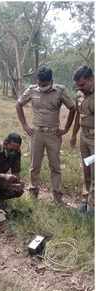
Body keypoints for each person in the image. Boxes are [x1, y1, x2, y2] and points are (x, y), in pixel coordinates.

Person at [16, 66, 75, 203]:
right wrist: (25, 125)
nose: (42, 87)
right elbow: (18, 105)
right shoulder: (31, 90)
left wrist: (66, 129)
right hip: (36, 133)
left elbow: (72, 108)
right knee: (34, 165)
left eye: (45, 84)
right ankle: (33, 193)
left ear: (51, 81)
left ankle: (57, 196)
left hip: (53, 134)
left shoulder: (60, 91)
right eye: (40, 84)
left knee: (55, 166)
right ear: (37, 80)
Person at [70, 66, 94, 212]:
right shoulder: (79, 94)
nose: (80, 88)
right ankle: (85, 200)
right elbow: (78, 115)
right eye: (78, 86)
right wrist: (73, 134)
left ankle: (93, 207)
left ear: (91, 79)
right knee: (86, 170)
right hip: (84, 138)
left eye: (83, 85)